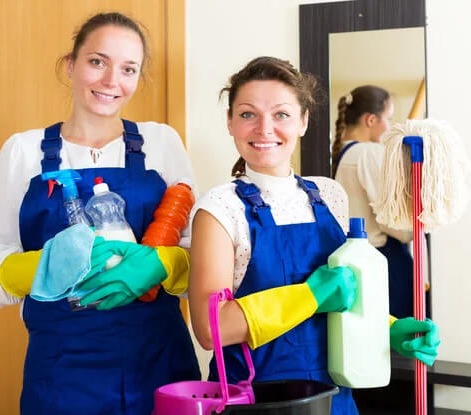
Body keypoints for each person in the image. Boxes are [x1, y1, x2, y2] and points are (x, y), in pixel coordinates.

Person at [0, 12, 200, 415]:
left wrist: (162, 263)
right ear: (71, 65)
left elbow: (201, 254)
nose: (112, 81)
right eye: (98, 61)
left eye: (128, 69)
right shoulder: (24, 151)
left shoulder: (162, 143)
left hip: (162, 366)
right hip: (61, 376)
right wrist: (44, 267)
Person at [188, 57, 440, 414]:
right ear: (230, 122)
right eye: (247, 114)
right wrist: (309, 295)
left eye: (281, 114)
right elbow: (211, 329)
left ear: (303, 121)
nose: (264, 128)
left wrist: (390, 329)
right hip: (257, 402)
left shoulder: (328, 196)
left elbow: (343, 299)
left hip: (333, 399)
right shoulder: (219, 209)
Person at [331, 85, 413, 318]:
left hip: (360, 256)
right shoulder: (368, 153)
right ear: (370, 120)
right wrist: (414, 232)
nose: (389, 126)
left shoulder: (343, 153)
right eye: (388, 118)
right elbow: (390, 217)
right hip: (384, 257)